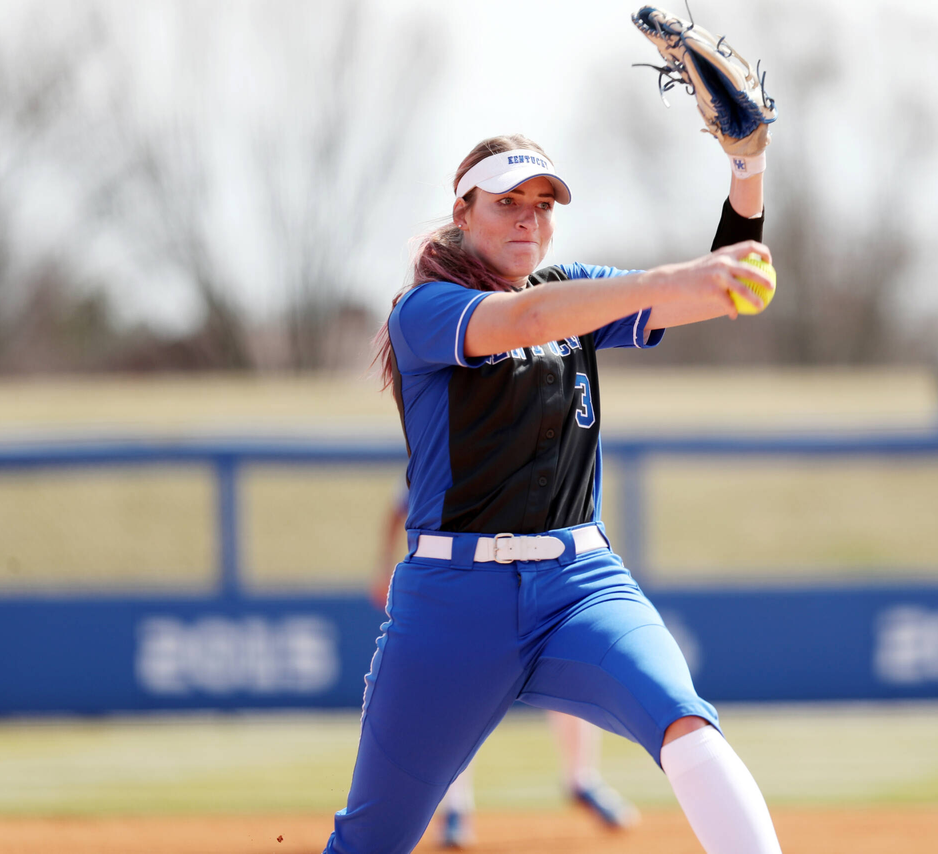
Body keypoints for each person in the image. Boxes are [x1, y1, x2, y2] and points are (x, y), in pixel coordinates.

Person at [324, 132, 781, 854]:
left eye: (542, 204)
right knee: (371, 839)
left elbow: (723, 287)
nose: (528, 219)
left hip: (581, 586)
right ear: (463, 212)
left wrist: (746, 165)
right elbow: (529, 323)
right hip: (451, 600)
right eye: (507, 203)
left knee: (684, 721)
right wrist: (673, 275)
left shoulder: (568, 291)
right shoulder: (426, 310)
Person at [372, 483, 640, 848]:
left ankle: (582, 780)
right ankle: (455, 809)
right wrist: (382, 567)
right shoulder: (461, 459)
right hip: (468, 590)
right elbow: (399, 507)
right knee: (455, 704)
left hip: (542, 588)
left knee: (571, 680)